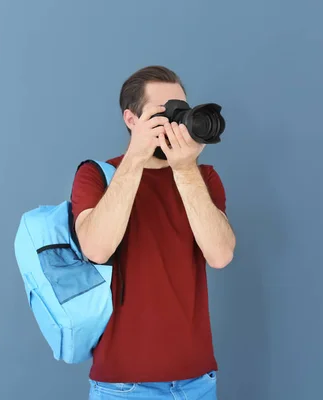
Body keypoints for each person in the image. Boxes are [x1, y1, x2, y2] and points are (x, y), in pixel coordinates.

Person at [71, 65, 236, 399]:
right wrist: (136, 158)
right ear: (132, 120)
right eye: (165, 114)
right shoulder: (96, 176)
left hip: (197, 382)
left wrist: (185, 169)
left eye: (182, 111)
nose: (176, 122)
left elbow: (220, 256)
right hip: (122, 385)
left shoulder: (203, 177)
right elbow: (97, 249)